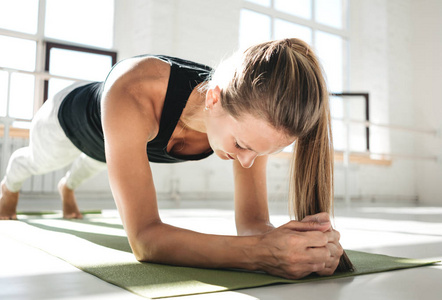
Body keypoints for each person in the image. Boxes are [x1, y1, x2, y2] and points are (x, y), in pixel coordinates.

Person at [0, 38, 345, 279]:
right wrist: (259, 254)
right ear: (213, 100)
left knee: (90, 166)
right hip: (66, 118)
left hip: (110, 141)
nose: (247, 162)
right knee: (36, 162)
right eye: (241, 146)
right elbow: (145, 240)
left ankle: (66, 188)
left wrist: (298, 244)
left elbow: (253, 226)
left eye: (262, 153)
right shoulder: (133, 91)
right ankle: (8, 186)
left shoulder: (253, 117)